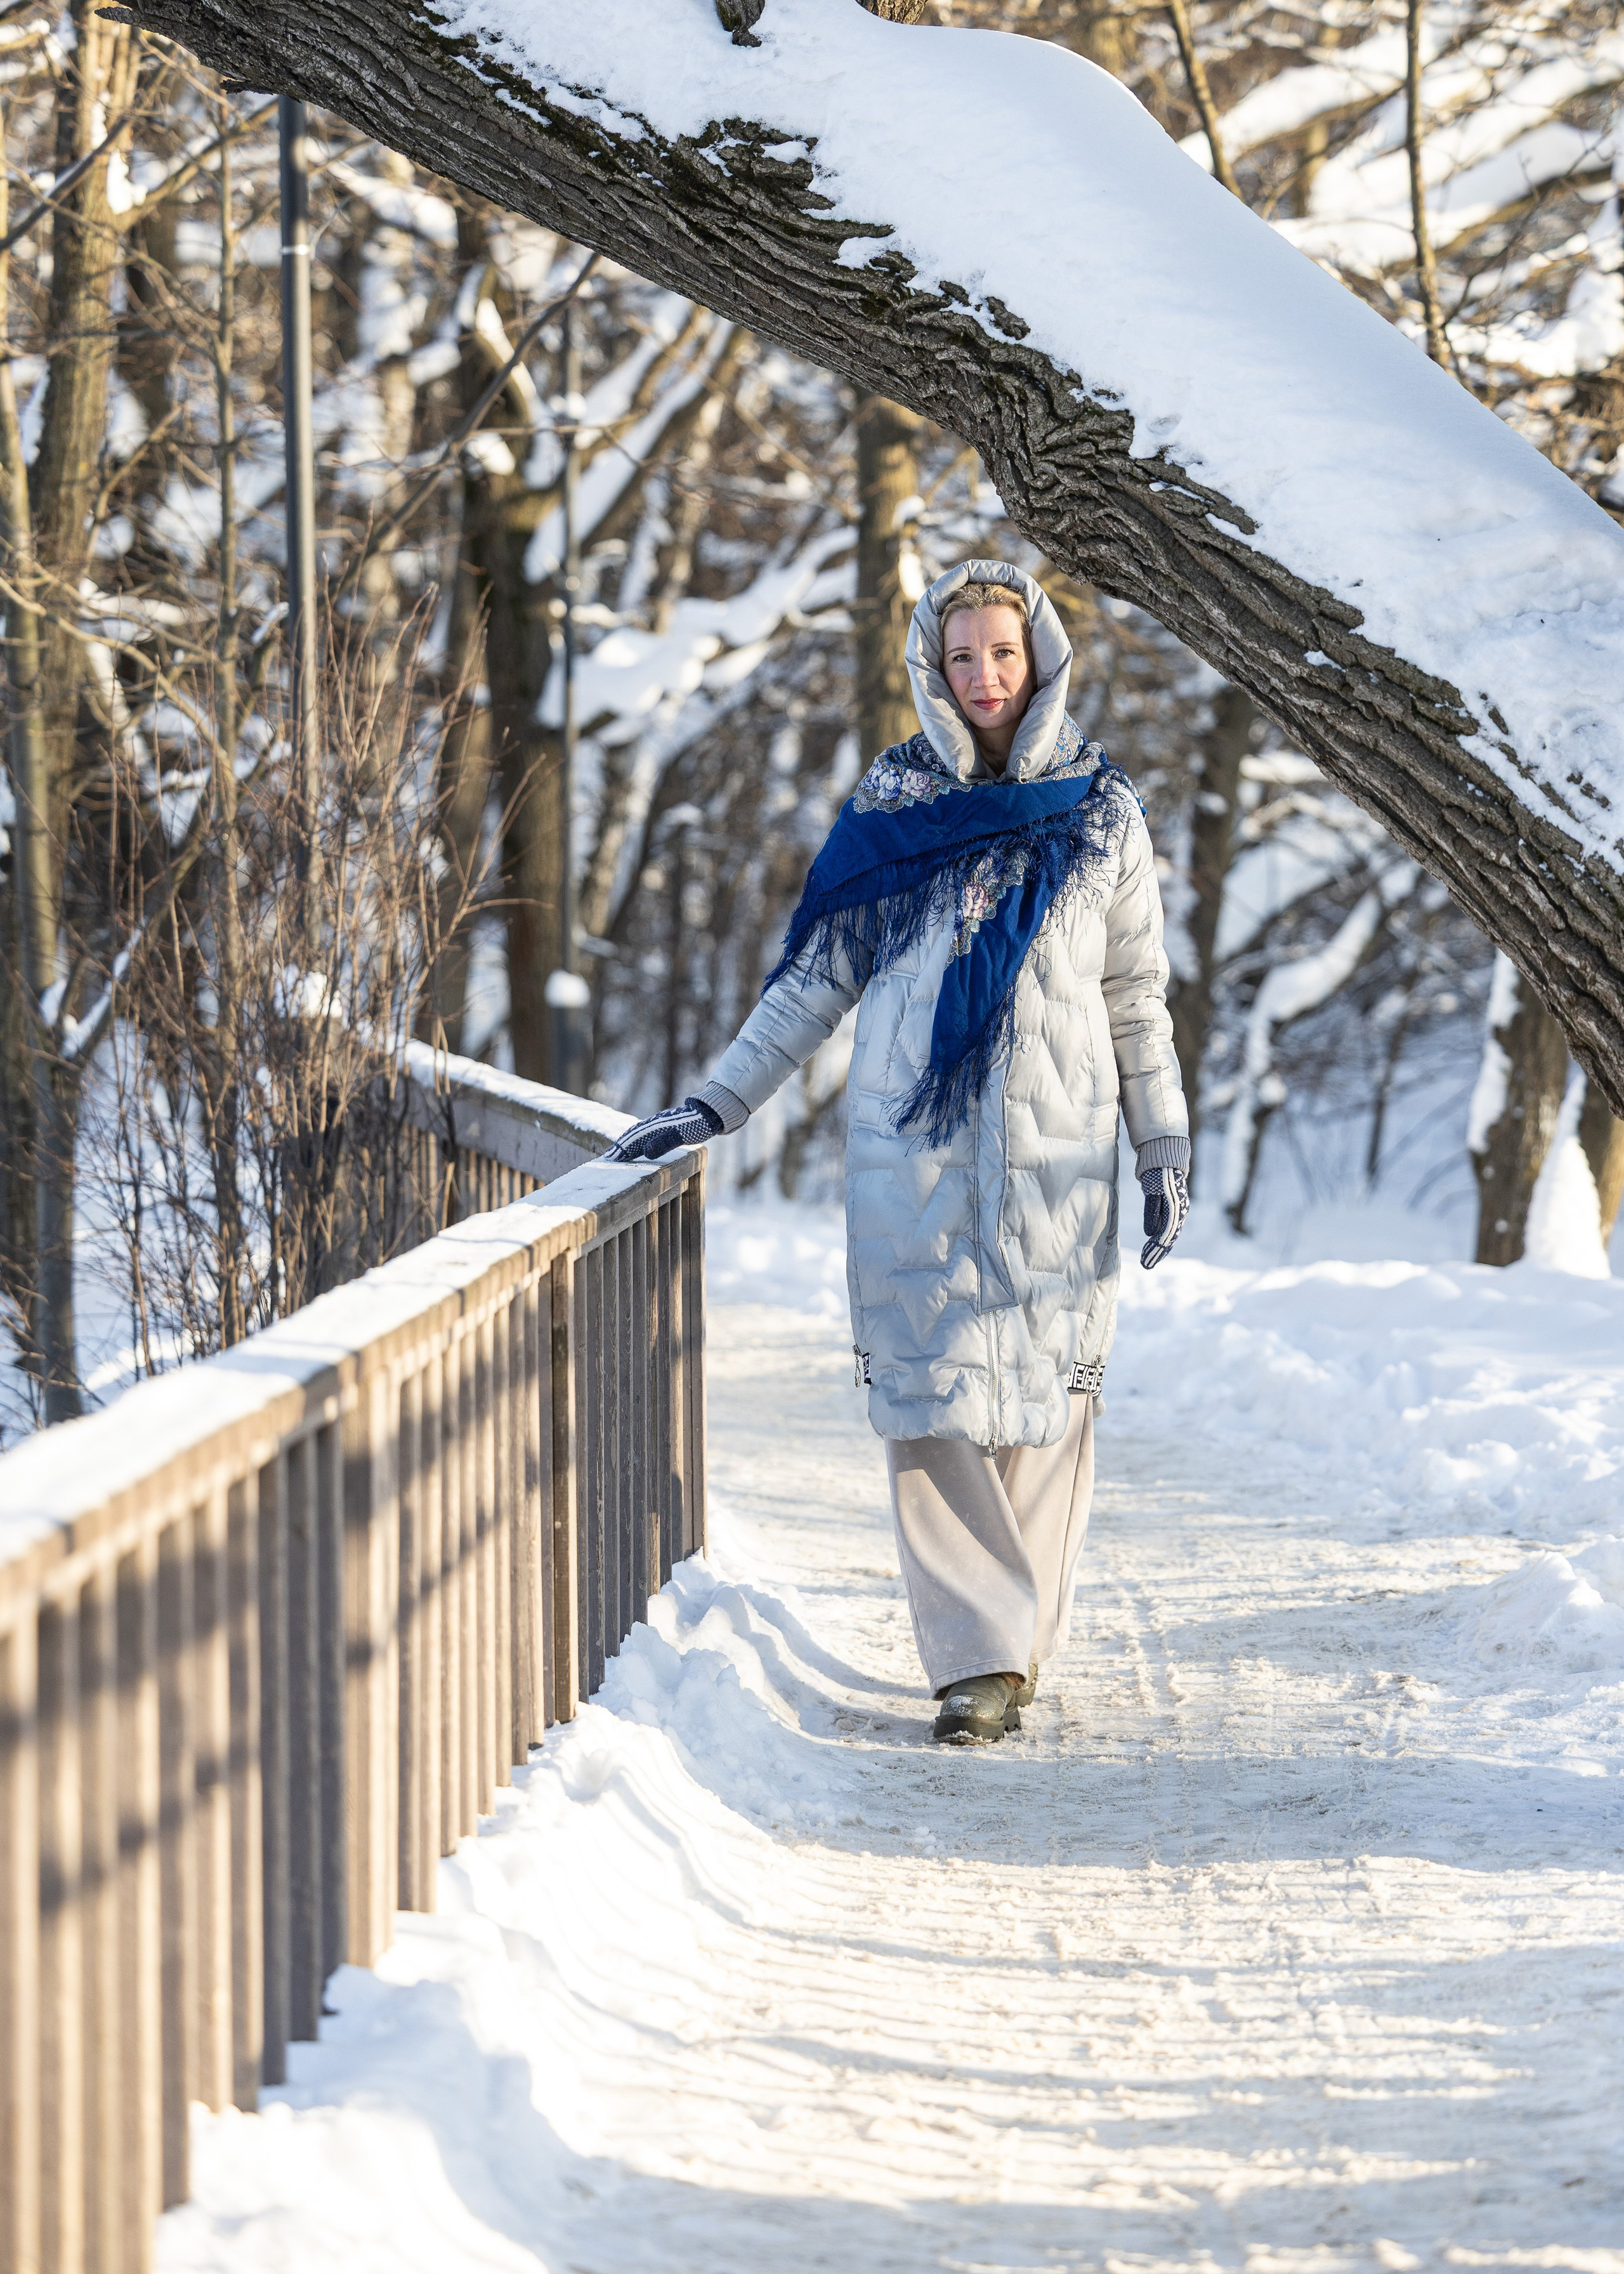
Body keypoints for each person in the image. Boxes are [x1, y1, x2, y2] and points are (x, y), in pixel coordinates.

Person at [607, 561, 1191, 1744]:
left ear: (1042, 661)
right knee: (930, 1404)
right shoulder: (892, 805)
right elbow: (813, 982)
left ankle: (1020, 1637)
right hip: (909, 1158)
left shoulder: (1103, 810)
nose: (984, 676)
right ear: (933, 663)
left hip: (1058, 1160)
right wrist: (715, 1104)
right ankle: (977, 1662)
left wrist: (1160, 1143)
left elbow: (1137, 997)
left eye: (1004, 654)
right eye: (963, 655)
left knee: (1045, 1406)